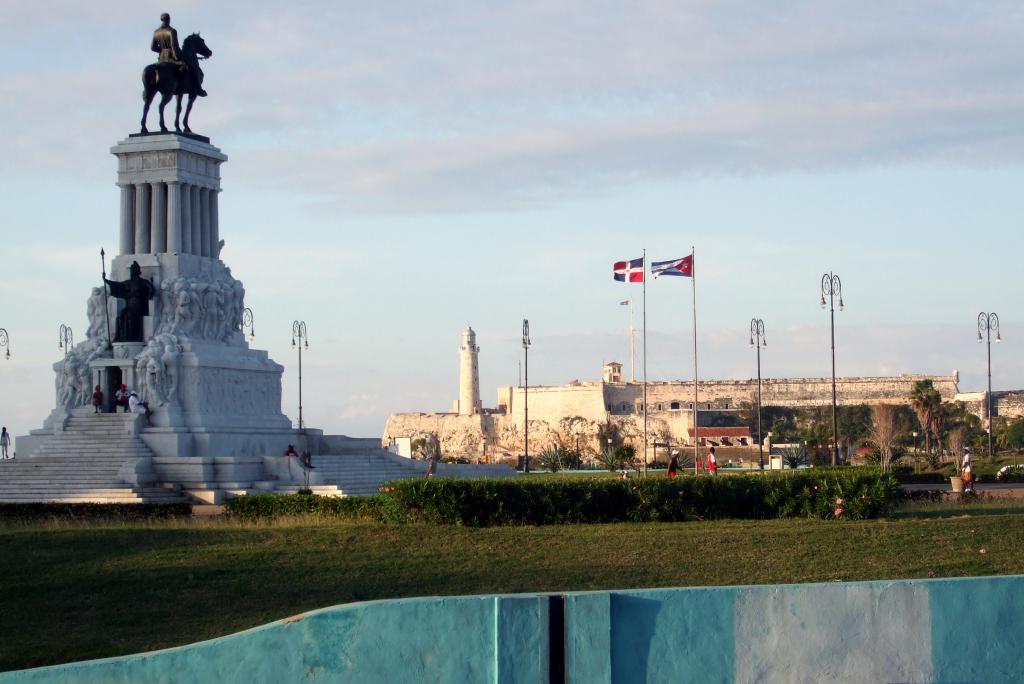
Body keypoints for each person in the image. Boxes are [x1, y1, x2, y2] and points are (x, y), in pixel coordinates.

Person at [151, 13, 207, 97]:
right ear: (169, 19)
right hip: (172, 57)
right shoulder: (172, 31)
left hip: (162, 58)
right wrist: (180, 57)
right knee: (192, 67)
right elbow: (174, 47)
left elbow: (153, 47)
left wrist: (163, 51)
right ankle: (199, 89)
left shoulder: (156, 32)